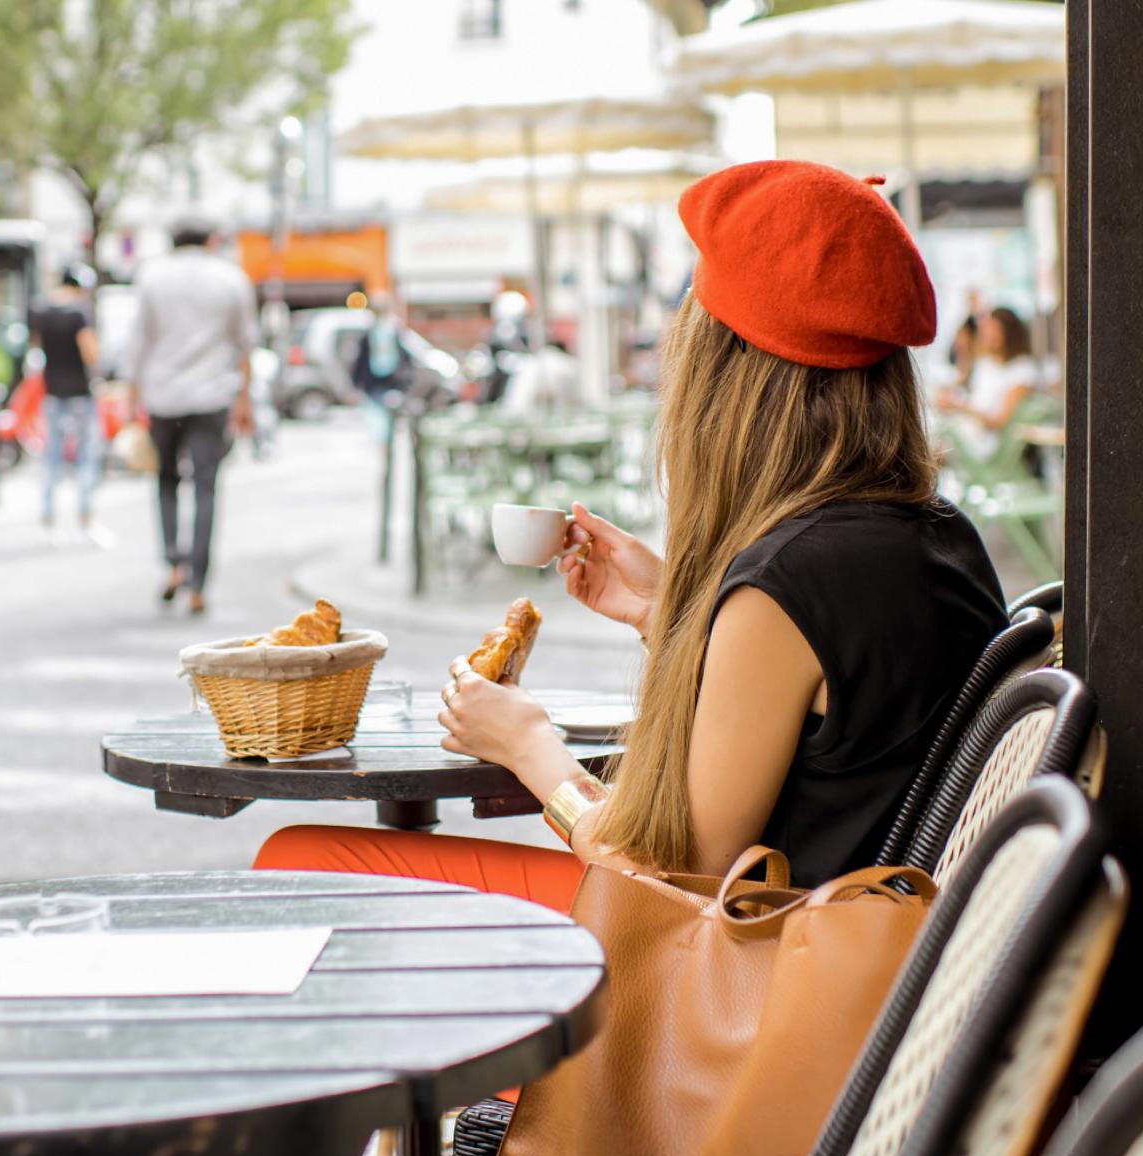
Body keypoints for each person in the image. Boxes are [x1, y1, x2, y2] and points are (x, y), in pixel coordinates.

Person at [255, 161, 1008, 910]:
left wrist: (528, 747)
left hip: (751, 973)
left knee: (303, 859)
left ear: (728, 379)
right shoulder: (940, 535)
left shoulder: (788, 587)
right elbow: (841, 736)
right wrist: (672, 613)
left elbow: (668, 875)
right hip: (863, 950)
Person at [125, 218, 259, 614]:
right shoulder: (230, 278)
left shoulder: (152, 276)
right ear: (212, 239)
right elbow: (245, 343)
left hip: (163, 395)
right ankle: (198, 584)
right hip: (212, 395)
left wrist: (133, 395)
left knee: (165, 480)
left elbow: (138, 342)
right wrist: (245, 399)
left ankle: (173, 563)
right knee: (206, 487)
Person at [30, 265, 102, 536]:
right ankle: (85, 514)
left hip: (52, 392)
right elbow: (91, 354)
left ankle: (48, 515)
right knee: (86, 454)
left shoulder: (41, 311)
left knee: (52, 455)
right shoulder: (79, 312)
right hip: (80, 393)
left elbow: (36, 348)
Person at [937, 306, 1039, 458]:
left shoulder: (1022, 369)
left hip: (992, 445)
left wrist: (960, 407)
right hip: (972, 432)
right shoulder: (986, 363)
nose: (987, 335)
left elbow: (998, 421)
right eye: (986, 329)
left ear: (1009, 333)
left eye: (995, 330)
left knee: (941, 440)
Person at [350, 292, 411, 441]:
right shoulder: (370, 333)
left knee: (389, 423)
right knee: (377, 423)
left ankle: (386, 450)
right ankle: (383, 448)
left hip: (391, 382)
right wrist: (357, 384)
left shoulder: (394, 331)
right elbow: (361, 361)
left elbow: (405, 359)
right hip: (374, 383)